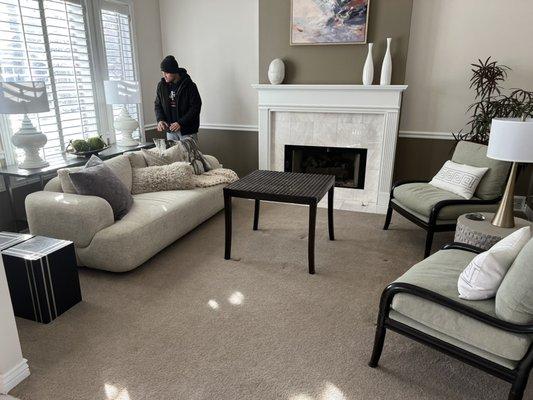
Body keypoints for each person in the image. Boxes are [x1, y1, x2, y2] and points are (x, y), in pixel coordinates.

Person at [154, 55, 202, 142]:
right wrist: (160, 119)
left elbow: (195, 107)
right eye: (163, 72)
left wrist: (181, 123)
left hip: (187, 131)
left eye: (167, 72)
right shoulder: (161, 86)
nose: (164, 75)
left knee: (189, 156)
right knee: (173, 156)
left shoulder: (189, 85)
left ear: (174, 71)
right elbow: (158, 105)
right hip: (170, 131)